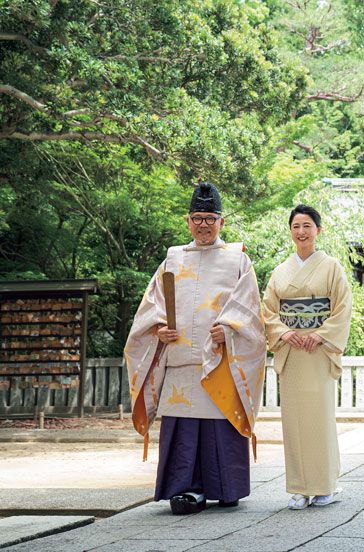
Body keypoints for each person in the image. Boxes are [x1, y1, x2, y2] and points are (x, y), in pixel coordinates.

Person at [124, 182, 266, 515]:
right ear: (188, 221)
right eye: (198, 218)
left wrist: (229, 329)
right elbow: (151, 305)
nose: (204, 224)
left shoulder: (237, 260)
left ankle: (225, 487)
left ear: (221, 222)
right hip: (178, 360)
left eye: (210, 218)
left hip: (218, 360)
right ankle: (183, 489)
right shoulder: (173, 259)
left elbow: (249, 309)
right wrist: (159, 328)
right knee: (182, 427)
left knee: (218, 421)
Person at [262, 204, 352, 510]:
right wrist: (282, 332)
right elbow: (268, 309)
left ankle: (325, 484)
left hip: (317, 349)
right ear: (291, 231)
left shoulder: (332, 267)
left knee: (319, 418)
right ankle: (298, 487)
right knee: (293, 421)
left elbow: (342, 307)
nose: (301, 232)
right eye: (296, 226)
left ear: (318, 230)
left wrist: (322, 334)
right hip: (292, 350)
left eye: (307, 226)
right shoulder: (280, 271)